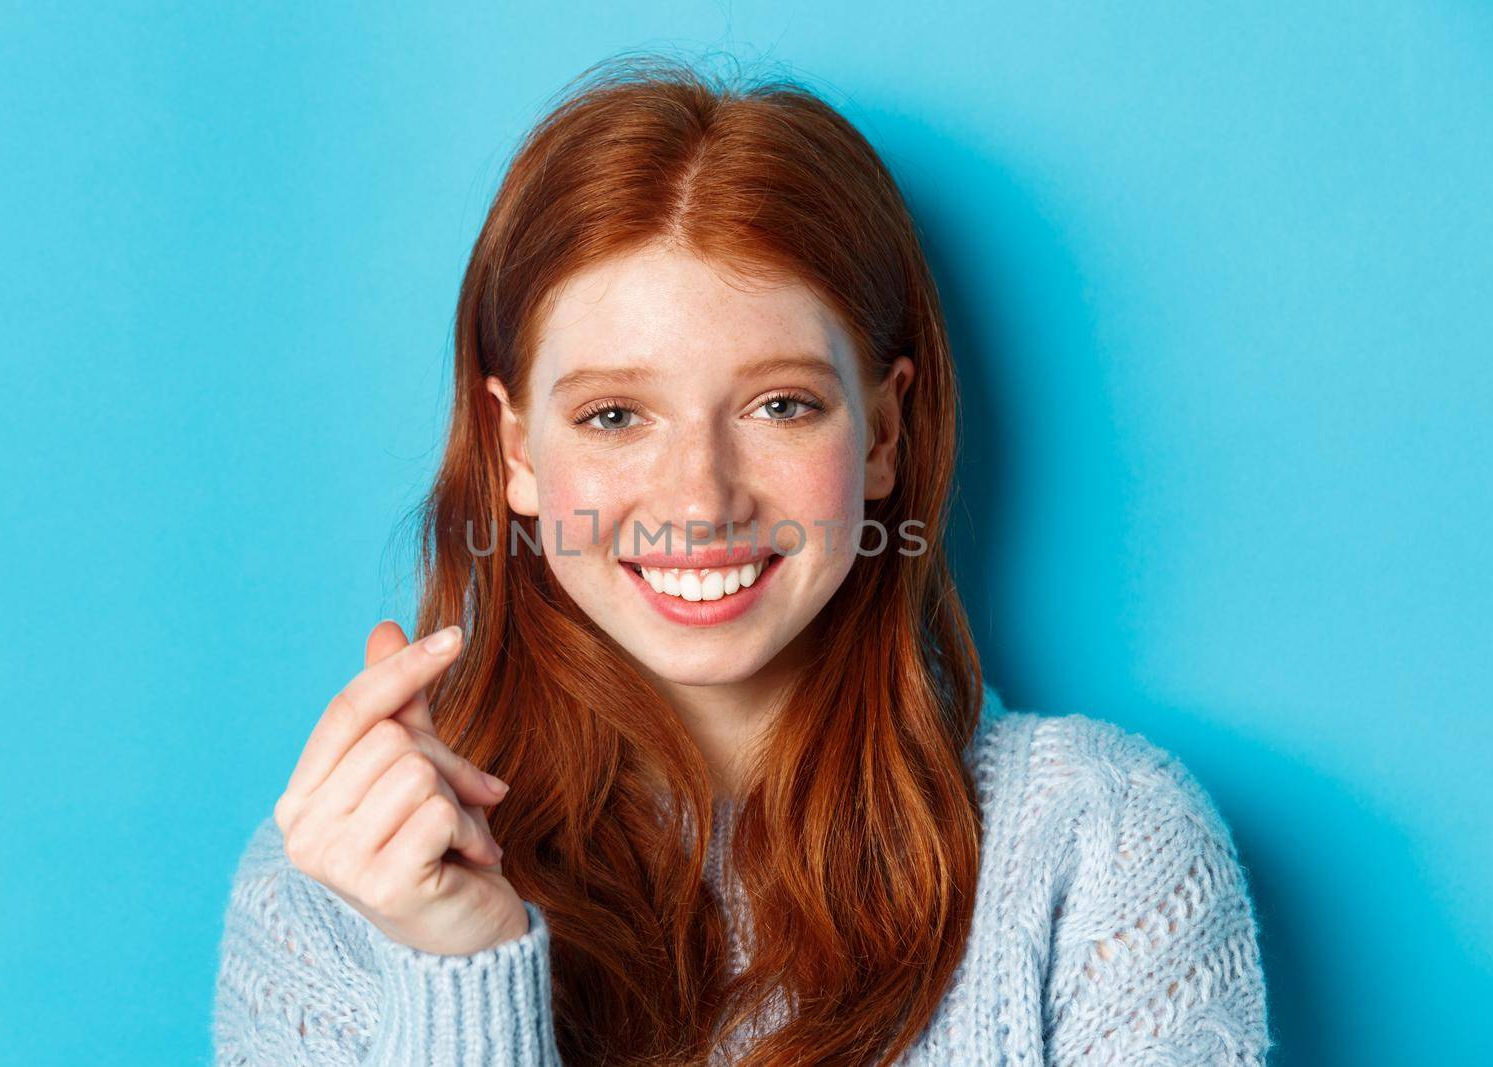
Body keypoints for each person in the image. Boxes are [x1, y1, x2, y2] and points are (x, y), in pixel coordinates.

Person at [212, 53, 1271, 1066]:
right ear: (516, 450)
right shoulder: (338, 884)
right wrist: (458, 966)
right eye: (615, 413)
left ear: (885, 435)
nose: (699, 498)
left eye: (781, 404)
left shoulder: (1102, 846)